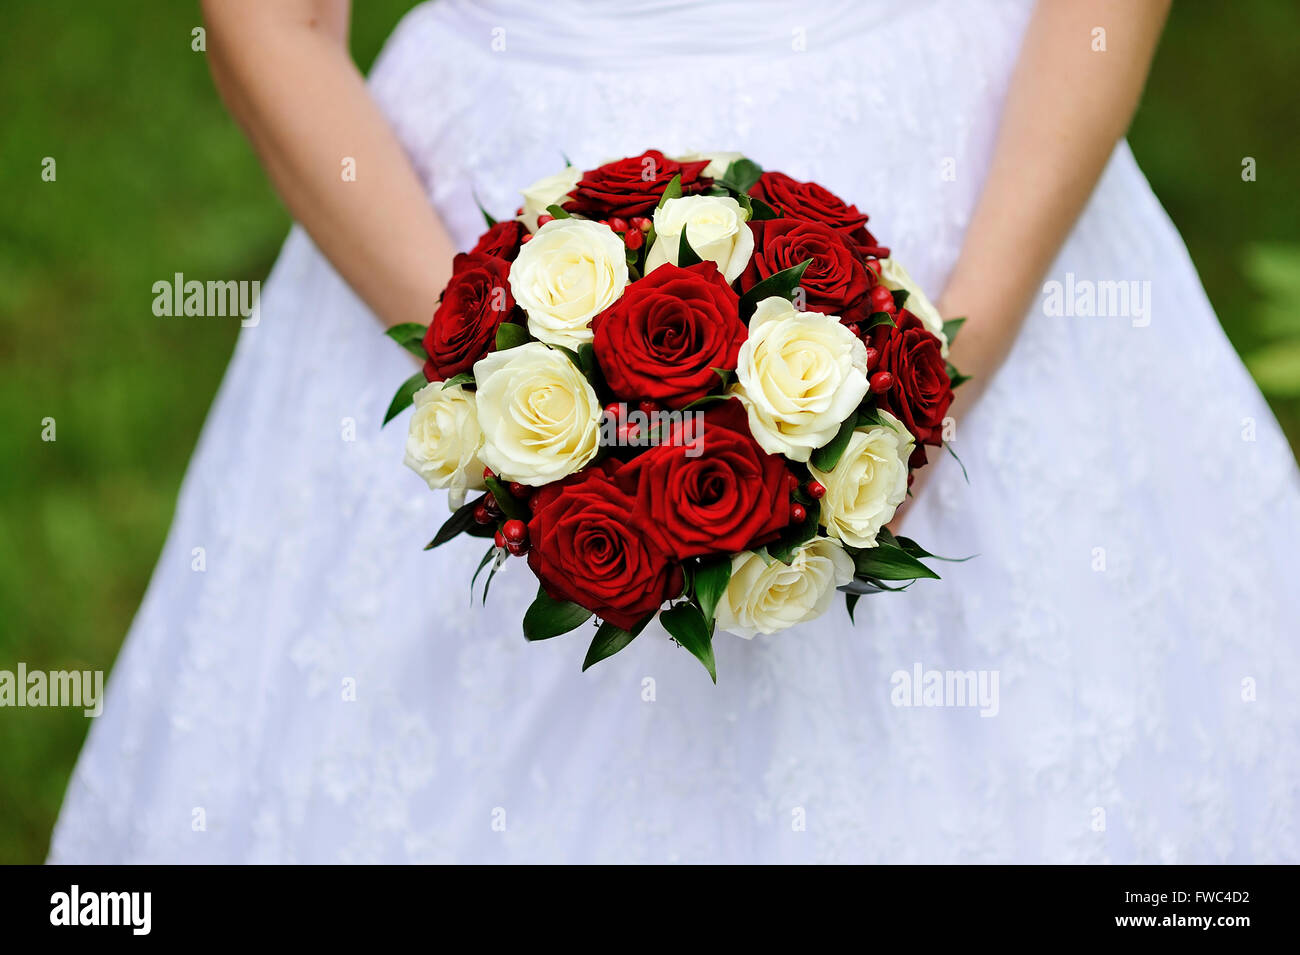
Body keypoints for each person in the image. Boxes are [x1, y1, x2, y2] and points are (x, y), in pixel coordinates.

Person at [50, 0, 1300, 863]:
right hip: (463, 210)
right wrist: (489, 360)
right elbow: (271, 25)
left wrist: (950, 351)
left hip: (968, 185)